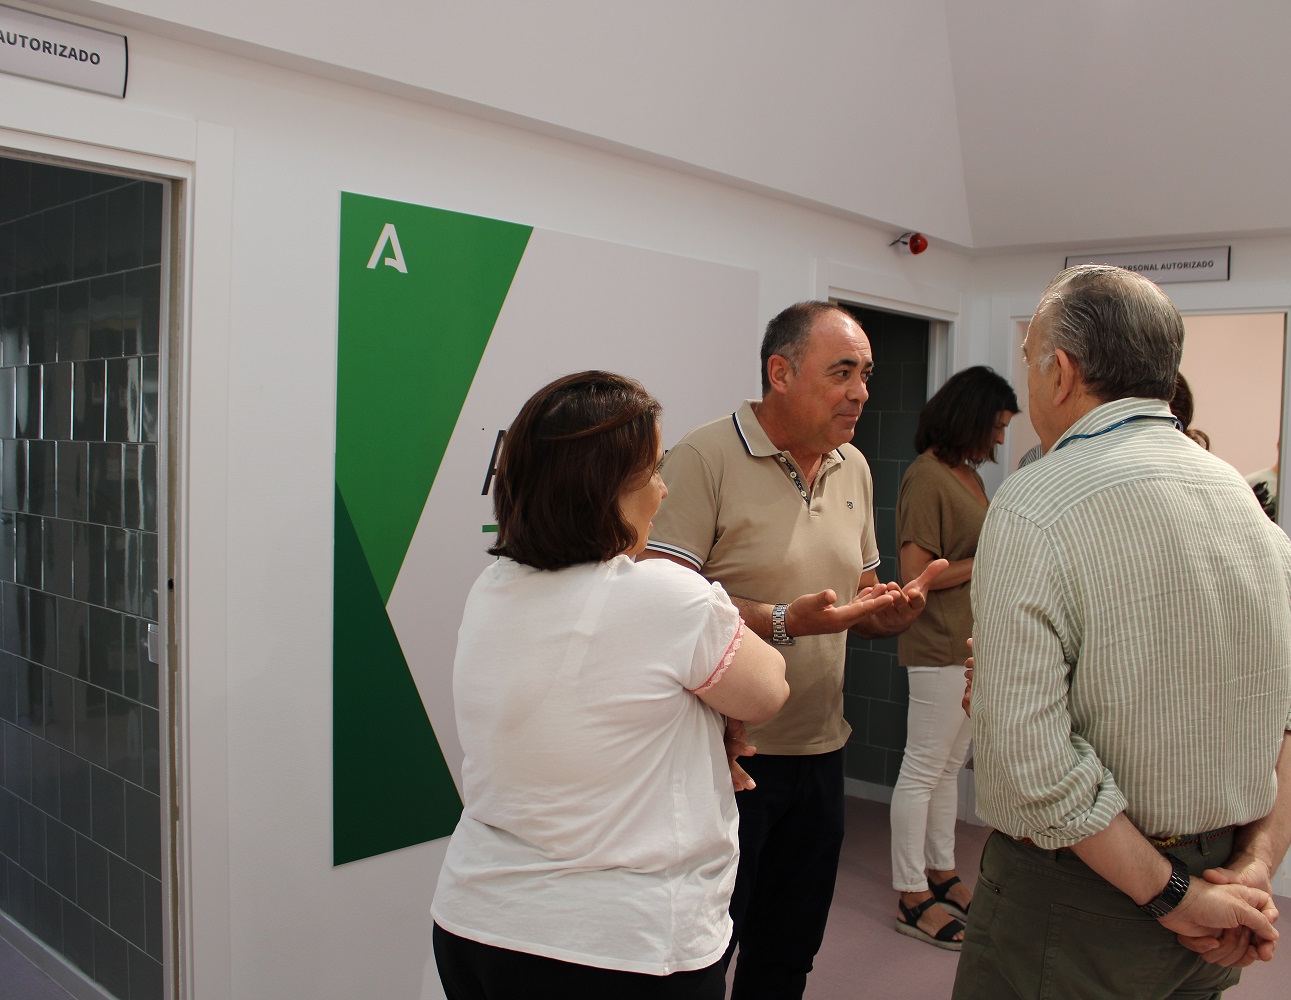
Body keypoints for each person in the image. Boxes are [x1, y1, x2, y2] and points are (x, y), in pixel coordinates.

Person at [953, 265, 1291, 1000]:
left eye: (1031, 361)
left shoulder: (1035, 503)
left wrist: (1175, 898)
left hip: (1077, 904)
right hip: (1220, 888)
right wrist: (1253, 869)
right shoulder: (1241, 498)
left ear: (1062, 372)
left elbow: (1033, 762)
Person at [431, 371, 790, 1000]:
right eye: (651, 472)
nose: (663, 490)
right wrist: (715, 720)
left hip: (477, 925)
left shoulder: (493, 589)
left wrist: (698, 729)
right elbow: (768, 690)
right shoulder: (664, 596)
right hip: (619, 948)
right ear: (601, 490)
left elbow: (588, 715)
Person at [642, 301, 946, 999]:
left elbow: (855, 599)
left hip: (820, 752)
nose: (860, 392)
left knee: (788, 954)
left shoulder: (854, 466)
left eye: (866, 374)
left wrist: (888, 613)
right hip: (726, 760)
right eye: (841, 373)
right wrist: (783, 621)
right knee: (700, 961)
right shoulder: (704, 457)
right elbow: (661, 603)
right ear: (780, 373)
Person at [889, 366, 1017, 950]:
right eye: (996, 426)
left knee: (946, 770)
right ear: (970, 418)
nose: (1000, 439)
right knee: (923, 769)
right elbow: (915, 575)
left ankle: (941, 872)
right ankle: (911, 893)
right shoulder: (926, 477)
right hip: (937, 642)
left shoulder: (968, 475)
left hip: (971, 643)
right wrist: (989, 559)